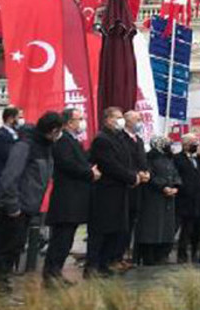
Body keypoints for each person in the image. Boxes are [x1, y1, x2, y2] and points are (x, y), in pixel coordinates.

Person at [0, 111, 62, 290]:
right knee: (6, 246)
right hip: (14, 207)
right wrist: (13, 206)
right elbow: (9, 177)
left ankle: (3, 280)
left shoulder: (46, 146)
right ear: (53, 130)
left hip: (29, 206)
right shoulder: (25, 146)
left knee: (15, 246)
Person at [43, 108, 100, 284]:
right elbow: (69, 164)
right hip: (66, 200)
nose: (82, 122)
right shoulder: (63, 141)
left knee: (65, 240)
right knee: (61, 240)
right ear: (69, 122)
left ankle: (55, 273)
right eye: (79, 119)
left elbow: (81, 160)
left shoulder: (73, 141)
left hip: (74, 200)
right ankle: (51, 275)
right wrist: (90, 173)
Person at [87, 107, 142, 277]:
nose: (121, 121)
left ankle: (106, 264)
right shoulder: (102, 139)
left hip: (120, 191)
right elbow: (110, 165)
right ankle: (93, 267)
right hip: (105, 192)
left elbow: (126, 161)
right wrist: (131, 177)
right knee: (101, 231)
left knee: (115, 230)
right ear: (108, 119)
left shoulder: (118, 138)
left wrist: (134, 175)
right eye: (117, 117)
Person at [136, 136, 181, 266]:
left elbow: (176, 174)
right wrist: (163, 187)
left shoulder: (169, 158)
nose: (169, 146)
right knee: (152, 228)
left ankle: (162, 254)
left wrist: (176, 186)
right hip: (153, 197)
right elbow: (150, 176)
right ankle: (149, 256)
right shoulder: (149, 158)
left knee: (166, 228)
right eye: (166, 144)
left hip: (169, 198)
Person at [119, 110, 149, 267]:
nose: (140, 122)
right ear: (128, 121)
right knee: (123, 222)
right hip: (126, 185)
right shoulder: (121, 138)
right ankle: (119, 254)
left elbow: (142, 160)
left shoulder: (139, 140)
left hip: (139, 186)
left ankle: (125, 253)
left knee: (131, 221)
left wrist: (146, 173)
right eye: (137, 119)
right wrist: (135, 174)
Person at [174, 134, 200, 264]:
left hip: (196, 199)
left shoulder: (196, 159)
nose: (196, 145)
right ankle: (177, 253)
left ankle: (187, 252)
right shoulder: (178, 159)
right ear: (186, 144)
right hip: (182, 199)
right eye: (193, 142)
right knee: (178, 227)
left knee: (190, 229)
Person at [0, 106, 23, 182]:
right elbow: (9, 155)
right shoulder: (2, 136)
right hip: (4, 177)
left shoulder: (17, 132)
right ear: (10, 119)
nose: (19, 120)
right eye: (18, 118)